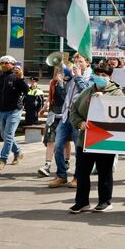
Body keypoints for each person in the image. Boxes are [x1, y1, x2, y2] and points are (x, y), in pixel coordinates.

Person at [67, 62, 124, 213]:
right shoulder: (86, 92)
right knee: (82, 172)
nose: (100, 78)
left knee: (104, 172)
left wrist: (104, 100)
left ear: (110, 77)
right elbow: (73, 110)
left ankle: (105, 201)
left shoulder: (117, 93)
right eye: (98, 74)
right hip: (85, 139)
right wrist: (79, 123)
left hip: (105, 140)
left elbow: (122, 114)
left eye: (104, 75)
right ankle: (81, 202)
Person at [48, 54, 91, 188]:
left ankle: (78, 177)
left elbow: (86, 91)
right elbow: (64, 94)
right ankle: (61, 175)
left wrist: (77, 76)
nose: (77, 64)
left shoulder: (92, 77)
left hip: (79, 119)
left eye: (81, 61)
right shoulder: (71, 77)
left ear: (87, 63)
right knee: (58, 146)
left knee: (79, 151)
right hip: (66, 116)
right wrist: (62, 81)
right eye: (76, 61)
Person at [0, 56, 29, 170]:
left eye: (5, 63)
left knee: (8, 135)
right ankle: (18, 153)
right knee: (4, 135)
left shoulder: (17, 77)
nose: (3, 65)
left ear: (13, 64)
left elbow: (26, 90)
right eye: (1, 63)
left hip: (14, 111)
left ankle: (2, 159)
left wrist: (21, 78)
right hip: (1, 111)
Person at [38, 67, 68, 177]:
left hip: (65, 115)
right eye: (57, 71)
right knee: (51, 140)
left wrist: (61, 83)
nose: (58, 74)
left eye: (60, 72)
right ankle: (47, 164)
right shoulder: (52, 83)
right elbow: (50, 97)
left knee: (65, 142)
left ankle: (66, 161)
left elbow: (66, 98)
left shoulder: (69, 83)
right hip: (53, 114)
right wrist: (45, 107)